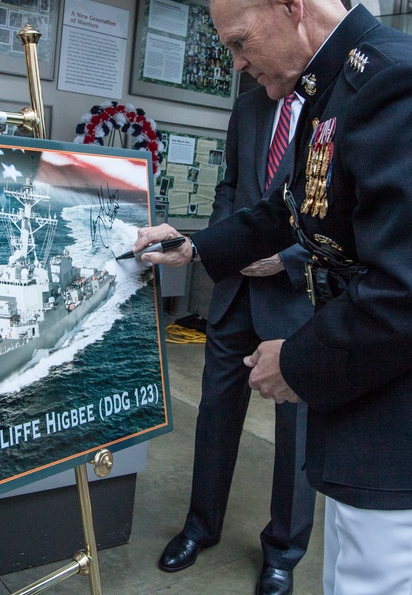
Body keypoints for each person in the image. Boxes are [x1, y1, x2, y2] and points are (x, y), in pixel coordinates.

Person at [135, 0, 412, 594]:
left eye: (240, 41)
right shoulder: (341, 89)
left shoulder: (399, 87)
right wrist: (197, 246)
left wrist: (295, 359)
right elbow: (296, 205)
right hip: (388, 414)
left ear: (286, 3)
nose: (239, 64)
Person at [158, 86, 315, 595]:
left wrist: (287, 260)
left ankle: (283, 552)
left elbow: (344, 213)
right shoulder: (250, 105)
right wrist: (219, 248)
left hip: (295, 297)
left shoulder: (330, 107)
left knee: (296, 431)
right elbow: (230, 187)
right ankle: (201, 526)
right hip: (234, 291)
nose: (242, 61)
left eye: (245, 44)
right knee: (216, 411)